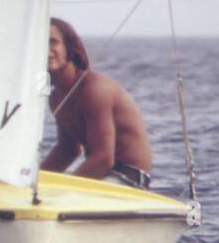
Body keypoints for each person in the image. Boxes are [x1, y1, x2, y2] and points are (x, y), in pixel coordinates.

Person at [40, 17, 153, 188]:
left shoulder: (94, 89)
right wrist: (34, 182)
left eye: (52, 42)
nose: (45, 50)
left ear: (70, 48)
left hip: (129, 178)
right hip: (102, 176)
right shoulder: (56, 96)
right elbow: (68, 149)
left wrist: (64, 189)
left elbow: (103, 159)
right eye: (39, 43)